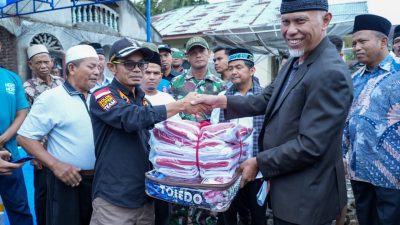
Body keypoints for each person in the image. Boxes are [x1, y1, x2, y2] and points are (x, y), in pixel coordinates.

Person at [192, 0, 353, 224]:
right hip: (287, 188)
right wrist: (219, 101)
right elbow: (268, 98)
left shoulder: (329, 71)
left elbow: (311, 145)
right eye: (285, 22)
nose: (290, 30)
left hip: (306, 197)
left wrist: (258, 162)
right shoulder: (296, 60)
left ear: (326, 20)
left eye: (300, 21)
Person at [88, 38, 205, 225]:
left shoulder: (142, 100)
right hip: (115, 198)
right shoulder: (102, 96)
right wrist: (180, 105)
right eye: (128, 64)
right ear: (112, 67)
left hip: (145, 196)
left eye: (140, 64)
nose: (136, 69)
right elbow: (131, 118)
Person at [17, 44, 99, 225]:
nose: (96, 72)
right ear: (71, 68)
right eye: (91, 67)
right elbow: (24, 137)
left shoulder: (99, 96)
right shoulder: (51, 98)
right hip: (67, 181)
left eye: (98, 67)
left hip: (99, 182)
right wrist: (56, 165)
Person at [342, 14, 400, 225]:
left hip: (393, 176)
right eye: (354, 42)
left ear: (383, 41)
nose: (356, 47)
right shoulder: (355, 79)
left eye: (362, 41)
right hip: (360, 172)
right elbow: (346, 121)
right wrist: (341, 154)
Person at [211, 48, 266, 225]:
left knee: (257, 217)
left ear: (252, 70)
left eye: (239, 67)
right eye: (231, 67)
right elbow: (215, 132)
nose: (234, 72)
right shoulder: (222, 98)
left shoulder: (265, 97)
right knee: (227, 216)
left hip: (257, 170)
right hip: (228, 172)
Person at [23, 44, 65, 225]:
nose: (43, 66)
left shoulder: (62, 83)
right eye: (37, 63)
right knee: (43, 195)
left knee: (63, 194)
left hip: (63, 147)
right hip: (41, 152)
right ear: (30, 65)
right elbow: (26, 123)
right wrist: (36, 154)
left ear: (52, 62)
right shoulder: (26, 88)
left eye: (46, 62)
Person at [0, 39, 34, 225]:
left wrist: (5, 137)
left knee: (20, 208)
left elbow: (22, 111)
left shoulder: (11, 78)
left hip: (10, 154)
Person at [170, 37, 225, 122]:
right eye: (193, 53)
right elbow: (171, 111)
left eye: (201, 51)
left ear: (209, 53)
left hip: (210, 132)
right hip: (182, 132)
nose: (198, 55)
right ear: (187, 57)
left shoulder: (220, 85)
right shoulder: (175, 82)